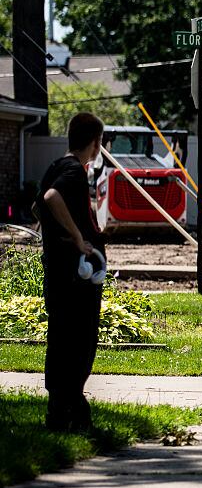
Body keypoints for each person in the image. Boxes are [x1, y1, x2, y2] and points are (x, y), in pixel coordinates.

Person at [35, 112, 106, 432]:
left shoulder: (55, 166)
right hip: (75, 277)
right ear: (94, 143)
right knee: (80, 341)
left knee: (62, 339)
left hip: (59, 271)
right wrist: (77, 238)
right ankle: (73, 408)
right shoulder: (74, 171)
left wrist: (54, 232)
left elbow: (39, 205)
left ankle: (60, 410)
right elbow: (52, 198)